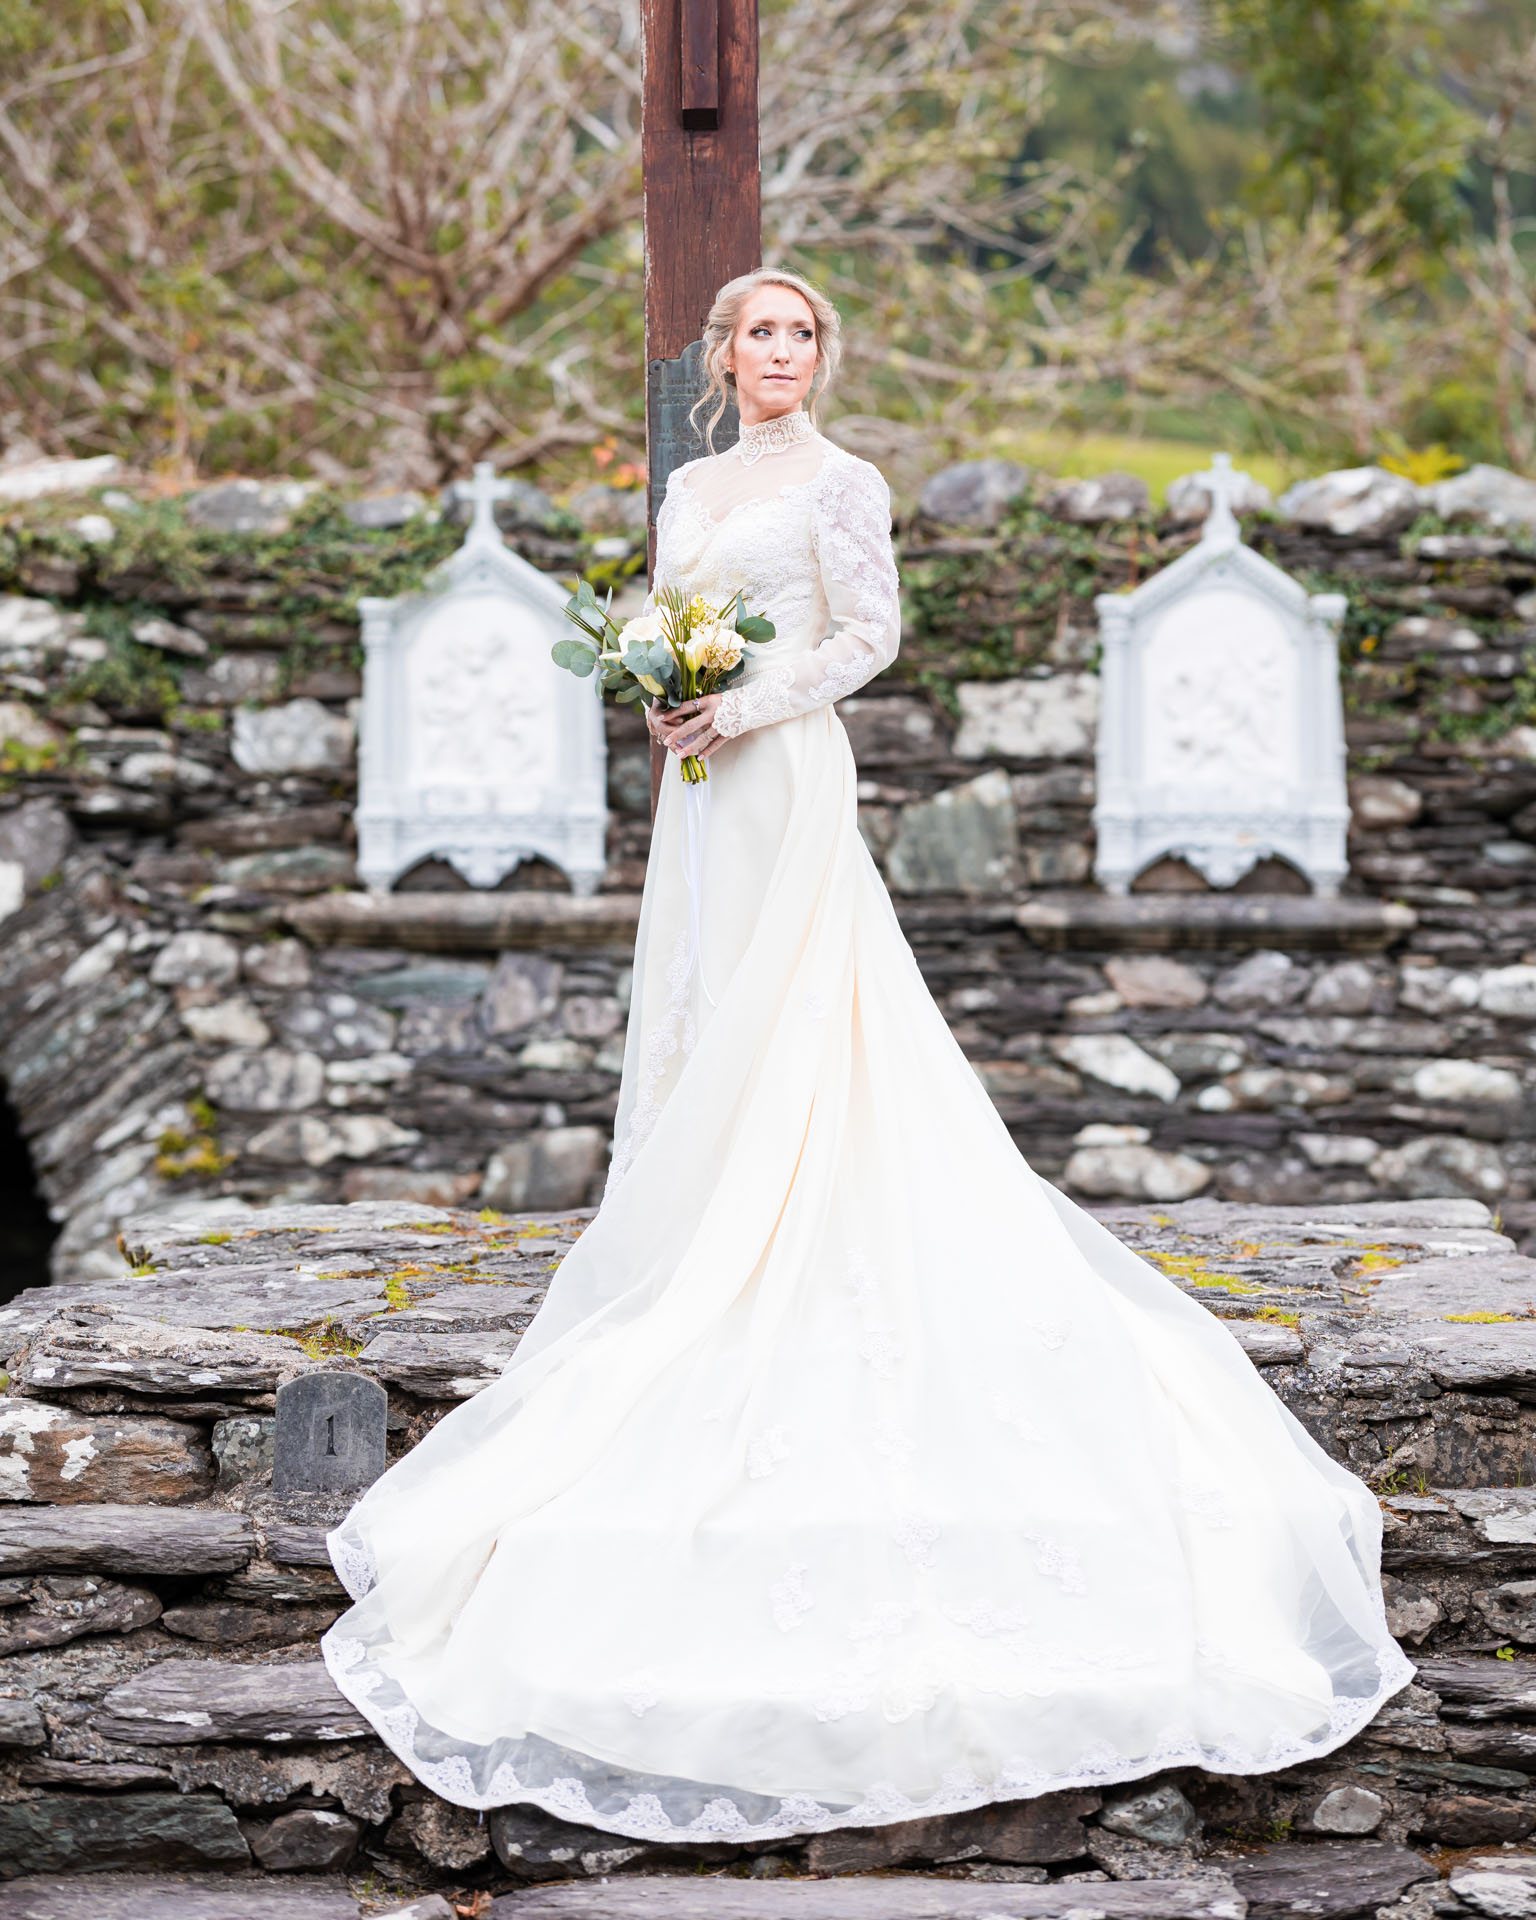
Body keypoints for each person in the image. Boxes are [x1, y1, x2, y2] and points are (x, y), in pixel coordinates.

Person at [322, 268, 1411, 1846]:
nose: (776, 354)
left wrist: (744, 700)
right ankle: (711, 1227)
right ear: (722, 357)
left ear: (820, 356)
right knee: (706, 1014)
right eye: (755, 335)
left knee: (804, 1017)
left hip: (788, 777)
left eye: (799, 335)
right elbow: (667, 620)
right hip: (703, 796)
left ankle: (806, 1217)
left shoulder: (846, 483)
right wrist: (666, 691)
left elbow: (870, 636)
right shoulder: (692, 486)